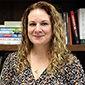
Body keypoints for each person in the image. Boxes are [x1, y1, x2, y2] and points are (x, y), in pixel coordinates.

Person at [0, 1, 85, 85]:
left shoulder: (70, 63)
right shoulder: (12, 61)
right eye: (32, 24)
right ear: (26, 28)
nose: (37, 30)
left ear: (54, 27)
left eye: (44, 23)